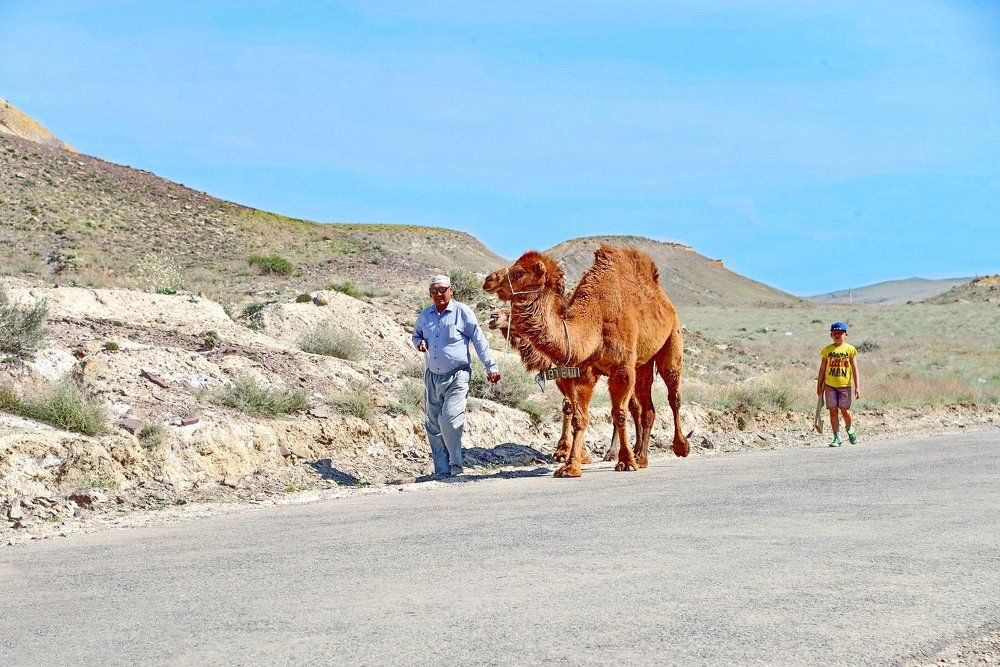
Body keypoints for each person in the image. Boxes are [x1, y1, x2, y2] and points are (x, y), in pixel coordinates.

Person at [412, 275, 501, 476]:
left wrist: (491, 367)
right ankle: (441, 471)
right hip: (432, 376)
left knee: (450, 419)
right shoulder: (425, 315)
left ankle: (455, 464)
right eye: (433, 291)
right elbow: (416, 334)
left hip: (458, 375)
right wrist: (419, 343)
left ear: (451, 290)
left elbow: (479, 340)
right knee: (433, 424)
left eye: (442, 290)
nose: (438, 294)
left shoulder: (463, 312)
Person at [816, 321, 861, 447]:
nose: (837, 335)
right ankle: (837, 437)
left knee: (845, 411)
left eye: (840, 333)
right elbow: (822, 369)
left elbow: (855, 369)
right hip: (830, 386)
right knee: (833, 411)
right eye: (835, 333)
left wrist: (857, 386)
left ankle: (850, 429)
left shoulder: (850, 350)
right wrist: (819, 385)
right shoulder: (827, 350)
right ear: (831, 335)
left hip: (845, 386)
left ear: (846, 334)